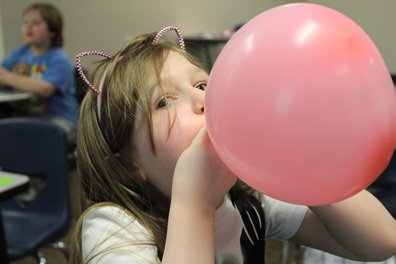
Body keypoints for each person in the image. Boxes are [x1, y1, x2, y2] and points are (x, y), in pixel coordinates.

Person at [70, 26, 396, 264]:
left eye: (202, 83)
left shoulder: (248, 200)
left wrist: (300, 167)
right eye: (164, 102)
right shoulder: (112, 229)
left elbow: (382, 242)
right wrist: (194, 203)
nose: (203, 99)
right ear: (128, 166)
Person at [0, 2, 79, 144]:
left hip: (58, 119)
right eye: (25, 22)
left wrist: (7, 77)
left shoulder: (58, 58)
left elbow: (45, 89)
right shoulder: (19, 54)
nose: (28, 26)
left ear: (52, 31)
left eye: (36, 23)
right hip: (26, 116)